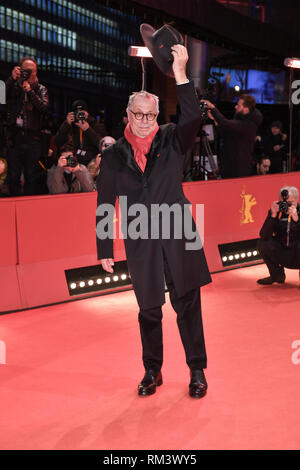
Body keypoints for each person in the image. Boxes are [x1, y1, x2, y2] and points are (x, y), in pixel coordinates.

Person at [96, 39, 211, 399]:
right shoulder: (114, 155)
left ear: (157, 117)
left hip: (178, 232)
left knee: (188, 304)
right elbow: (104, 202)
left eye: (151, 115)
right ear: (127, 115)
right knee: (149, 308)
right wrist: (105, 247)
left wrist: (180, 73)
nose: (145, 122)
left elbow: (192, 116)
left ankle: (197, 370)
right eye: (138, 114)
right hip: (140, 238)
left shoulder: (172, 140)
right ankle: (152, 370)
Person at [6, 57, 49, 196]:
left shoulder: (40, 88)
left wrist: (30, 91)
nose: (31, 74)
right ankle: (14, 207)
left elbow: (44, 107)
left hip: (33, 138)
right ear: (20, 70)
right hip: (14, 137)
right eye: (27, 71)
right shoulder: (12, 85)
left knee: (31, 175)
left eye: (34, 71)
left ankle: (29, 208)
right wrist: (12, 79)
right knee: (13, 175)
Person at [202, 95, 263, 178]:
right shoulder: (240, 121)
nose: (235, 107)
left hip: (238, 167)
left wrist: (213, 108)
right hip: (229, 163)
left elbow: (226, 123)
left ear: (246, 109)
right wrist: (215, 120)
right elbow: (226, 132)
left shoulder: (249, 125)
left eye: (239, 105)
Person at [257, 186, 300, 285]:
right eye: (283, 202)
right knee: (262, 244)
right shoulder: (276, 211)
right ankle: (277, 276)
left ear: (297, 200)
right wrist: (272, 216)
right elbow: (263, 235)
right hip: (282, 251)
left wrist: (297, 219)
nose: (286, 206)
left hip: (297, 253)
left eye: (290, 203)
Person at [53, 100, 103, 166]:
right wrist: (66, 124)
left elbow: (101, 145)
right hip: (72, 161)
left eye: (82, 112)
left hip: (90, 162)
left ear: (87, 112)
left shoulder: (95, 125)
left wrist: (88, 129)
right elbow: (57, 142)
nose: (80, 115)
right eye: (77, 112)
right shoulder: (69, 125)